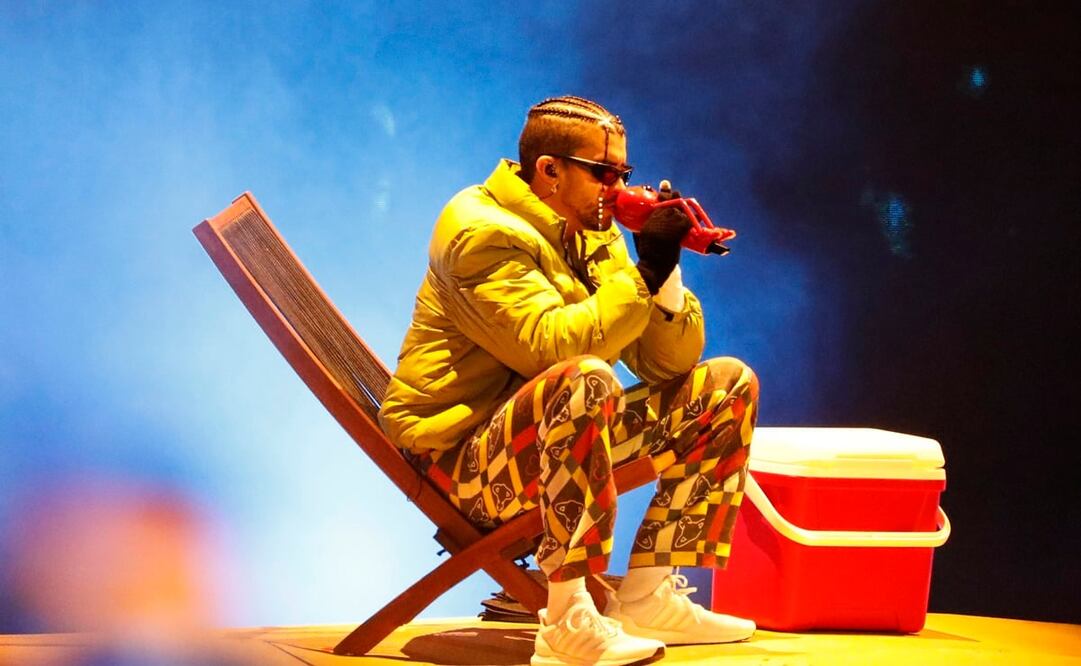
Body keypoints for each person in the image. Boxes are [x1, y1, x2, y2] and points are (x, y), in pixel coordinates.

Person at [379, 95, 759, 666]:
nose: (617, 187)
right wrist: (643, 274)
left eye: (624, 174)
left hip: (543, 437)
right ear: (549, 170)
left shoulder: (589, 228)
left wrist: (665, 269)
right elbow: (550, 349)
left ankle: (650, 595)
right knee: (584, 379)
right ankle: (567, 618)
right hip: (462, 463)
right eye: (604, 173)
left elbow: (667, 364)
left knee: (725, 385)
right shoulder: (480, 231)